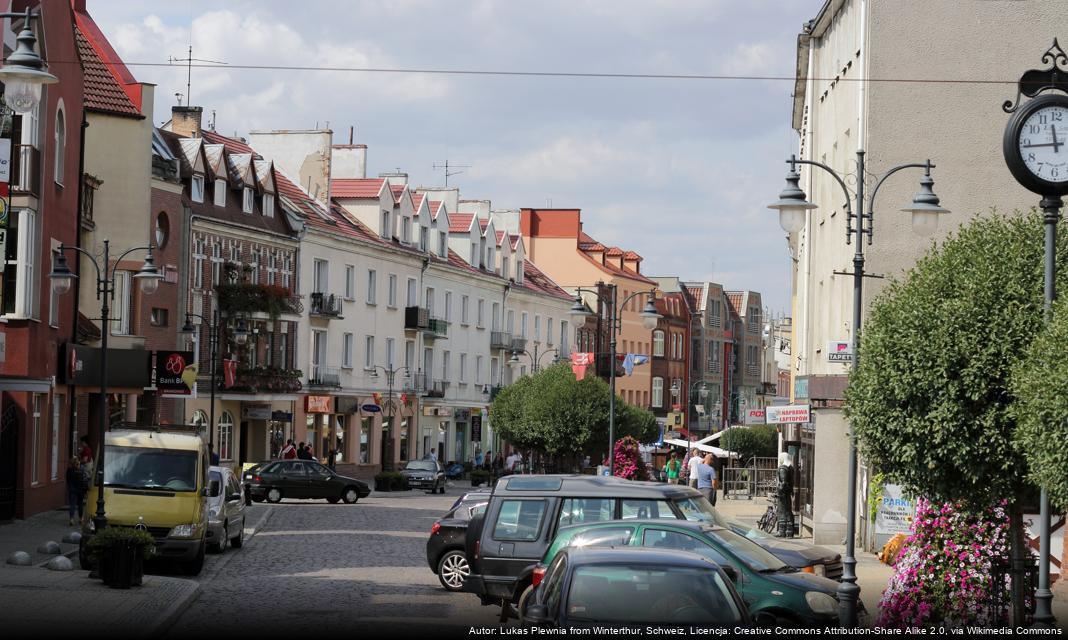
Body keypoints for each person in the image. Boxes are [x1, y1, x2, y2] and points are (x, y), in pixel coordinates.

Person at [65, 458, 88, 526]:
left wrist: (70, 487)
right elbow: (85, 480)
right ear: (78, 463)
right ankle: (80, 519)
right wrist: (86, 490)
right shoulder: (81, 470)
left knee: (72, 505)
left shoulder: (69, 470)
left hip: (72, 489)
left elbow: (67, 480)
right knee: (80, 505)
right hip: (81, 490)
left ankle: (71, 519)